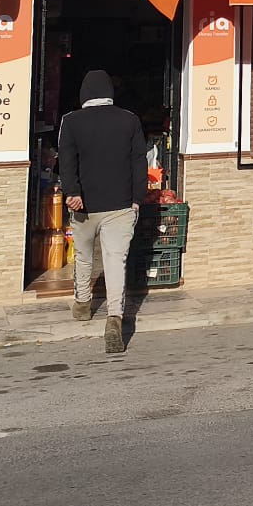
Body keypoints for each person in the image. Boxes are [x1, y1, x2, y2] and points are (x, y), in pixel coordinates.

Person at [57, 69, 148, 354]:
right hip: (121, 205)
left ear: (84, 94)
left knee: (84, 255)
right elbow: (139, 162)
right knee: (114, 260)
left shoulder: (70, 122)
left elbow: (67, 161)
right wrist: (136, 199)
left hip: (84, 206)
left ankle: (83, 304)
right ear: (110, 93)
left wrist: (72, 193)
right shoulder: (129, 120)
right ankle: (114, 318)